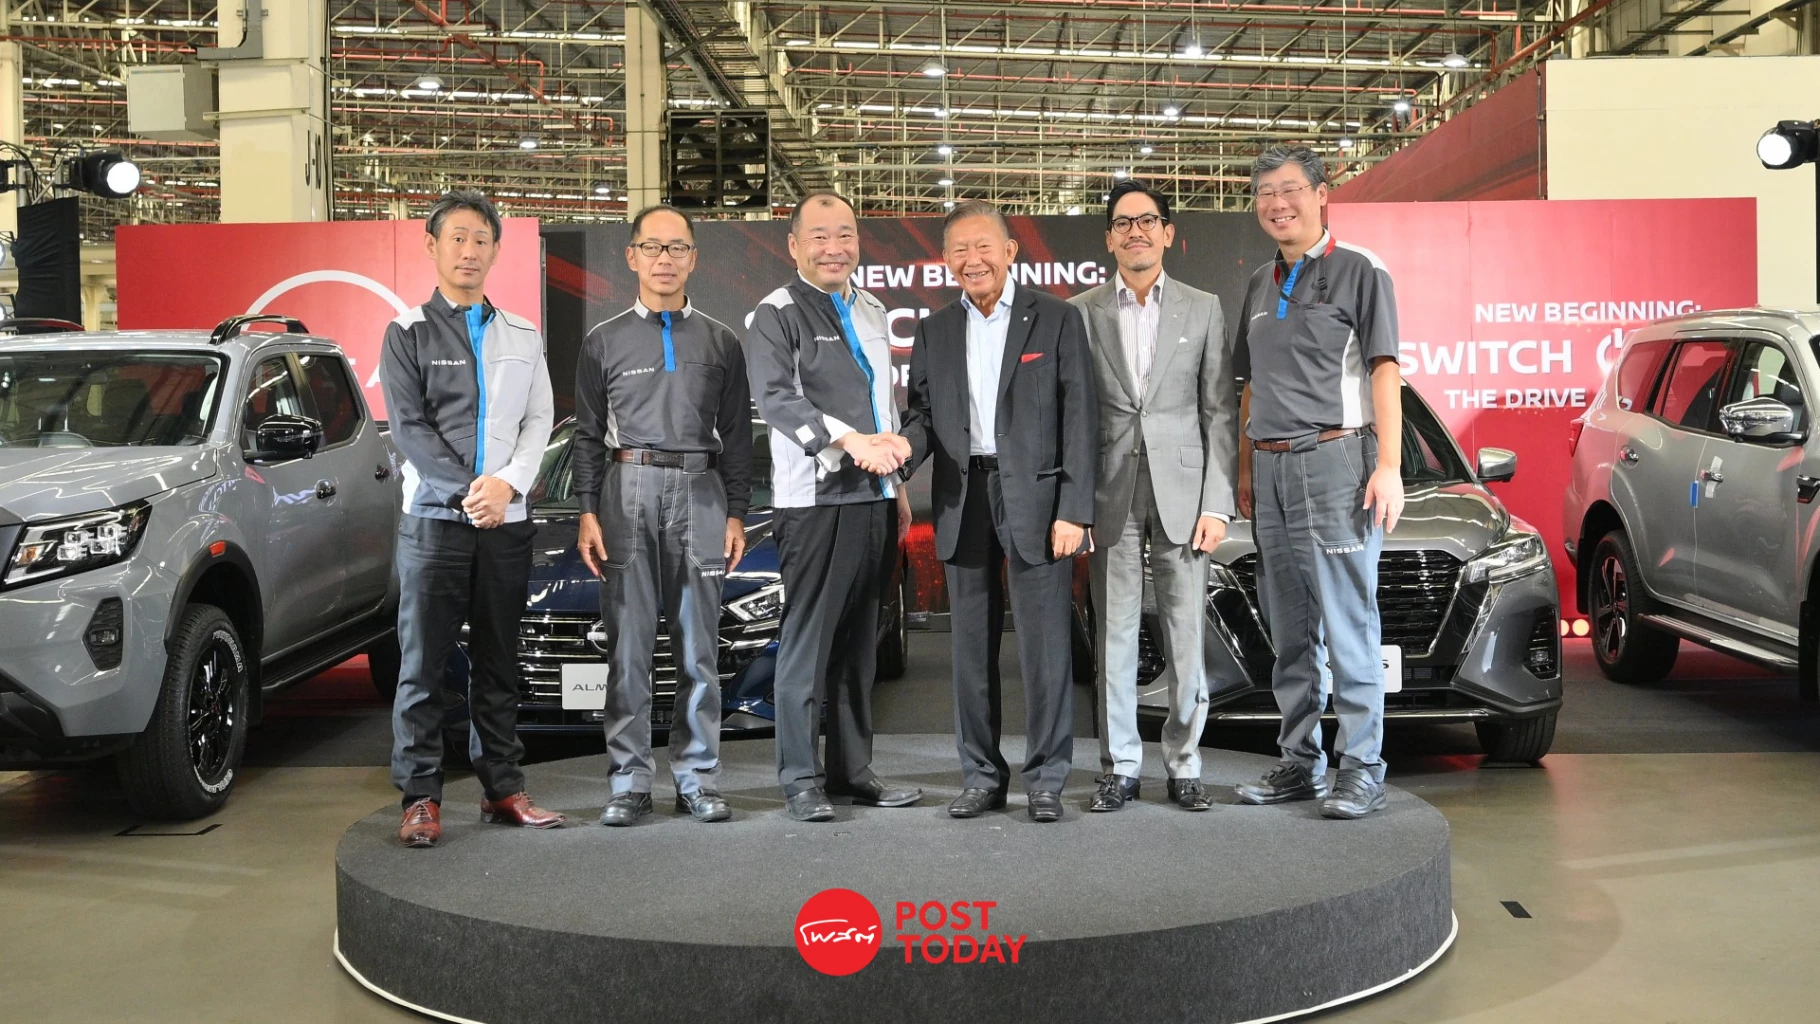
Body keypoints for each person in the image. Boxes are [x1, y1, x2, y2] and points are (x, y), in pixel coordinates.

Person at [901, 199, 1098, 823]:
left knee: (1045, 648)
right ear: (945, 260)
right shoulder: (933, 331)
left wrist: (1075, 509)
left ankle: (1046, 779)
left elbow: (1080, 418)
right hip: (963, 499)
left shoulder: (1057, 318)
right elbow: (922, 416)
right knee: (970, 651)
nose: (973, 259)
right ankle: (982, 775)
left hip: (1039, 502)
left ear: (1010, 251)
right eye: (959, 249)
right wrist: (901, 452)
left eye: (984, 246)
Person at [381, 189, 562, 847]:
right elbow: (410, 428)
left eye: (480, 239)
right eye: (456, 238)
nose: (469, 250)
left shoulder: (522, 334)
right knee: (423, 664)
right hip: (435, 521)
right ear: (433, 247)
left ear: (494, 250)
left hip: (506, 522)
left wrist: (507, 485)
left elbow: (540, 419)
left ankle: (502, 788)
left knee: (498, 660)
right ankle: (420, 798)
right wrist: (469, 493)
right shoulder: (407, 332)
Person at [1230, 145, 1406, 820]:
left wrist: (1388, 465)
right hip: (1270, 466)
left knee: (1348, 621)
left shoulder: (1361, 269)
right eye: (1265, 193)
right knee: (1292, 627)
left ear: (1322, 193)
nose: (1278, 204)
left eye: (1291, 189)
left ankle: (1362, 768)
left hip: (1336, 461)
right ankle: (1300, 763)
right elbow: (1251, 385)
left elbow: (1385, 370)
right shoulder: (1258, 282)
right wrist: (1245, 468)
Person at [573, 205, 754, 826]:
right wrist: (587, 510)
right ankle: (629, 782)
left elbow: (737, 434)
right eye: (652, 247)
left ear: (693, 258)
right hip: (626, 487)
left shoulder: (721, 341)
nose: (665, 259)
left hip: (702, 489)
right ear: (632, 257)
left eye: (677, 248)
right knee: (628, 647)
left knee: (698, 646)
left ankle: (697, 778)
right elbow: (587, 435)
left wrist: (735, 512)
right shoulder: (603, 341)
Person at [745, 191, 922, 822]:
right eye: (818, 236)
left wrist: (898, 484)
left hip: (874, 497)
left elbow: (884, 408)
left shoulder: (872, 307)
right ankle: (800, 778)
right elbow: (776, 399)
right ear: (794, 245)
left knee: (859, 644)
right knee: (808, 643)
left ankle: (853, 771)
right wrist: (849, 442)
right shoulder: (775, 313)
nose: (833, 247)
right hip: (814, 500)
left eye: (844, 234)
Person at [1068, 180, 1237, 813]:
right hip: (1108, 494)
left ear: (1167, 233)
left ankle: (1185, 763)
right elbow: (1074, 415)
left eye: (1147, 221)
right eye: (1122, 222)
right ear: (1109, 238)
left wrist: (1217, 503)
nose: (1135, 231)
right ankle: (1119, 767)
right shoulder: (1081, 312)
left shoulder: (1204, 308)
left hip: (1186, 497)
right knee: (1113, 637)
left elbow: (1219, 412)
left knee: (1185, 637)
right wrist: (1074, 504)